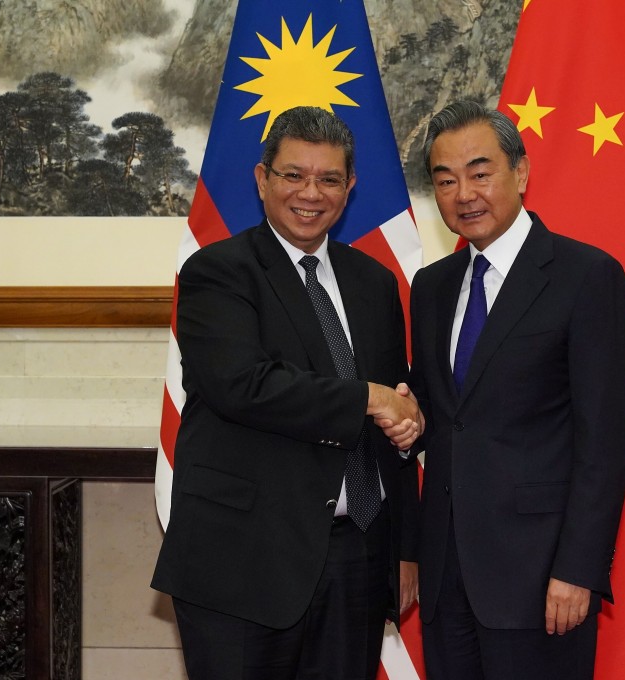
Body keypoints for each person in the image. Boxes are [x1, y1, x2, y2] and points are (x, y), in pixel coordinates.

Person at [152, 106, 422, 680]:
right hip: (243, 562)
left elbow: (392, 409)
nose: (310, 193)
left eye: (329, 179)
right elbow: (244, 386)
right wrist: (372, 399)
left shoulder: (374, 283)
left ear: (350, 187)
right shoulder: (218, 272)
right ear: (262, 178)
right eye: (293, 175)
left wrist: (403, 544)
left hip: (357, 558)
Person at [408, 100, 625, 679]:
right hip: (446, 578)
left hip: (540, 578)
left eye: (480, 173)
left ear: (522, 173)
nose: (465, 193)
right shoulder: (432, 288)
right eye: (446, 180)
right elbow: (444, 418)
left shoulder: (587, 277)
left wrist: (579, 569)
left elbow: (604, 443)